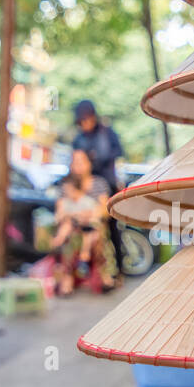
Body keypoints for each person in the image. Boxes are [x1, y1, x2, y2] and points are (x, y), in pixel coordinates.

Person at [71, 100, 125, 274]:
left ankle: (118, 266)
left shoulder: (107, 133)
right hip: (86, 187)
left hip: (106, 185)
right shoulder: (79, 138)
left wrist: (99, 159)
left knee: (112, 228)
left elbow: (118, 152)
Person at [52, 149, 116, 294]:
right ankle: (67, 277)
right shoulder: (66, 185)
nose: (79, 165)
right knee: (67, 232)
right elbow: (60, 211)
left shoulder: (99, 183)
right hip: (72, 226)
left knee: (97, 235)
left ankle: (103, 275)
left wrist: (90, 215)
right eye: (75, 162)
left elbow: (104, 209)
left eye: (82, 161)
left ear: (89, 164)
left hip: (93, 225)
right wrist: (74, 216)